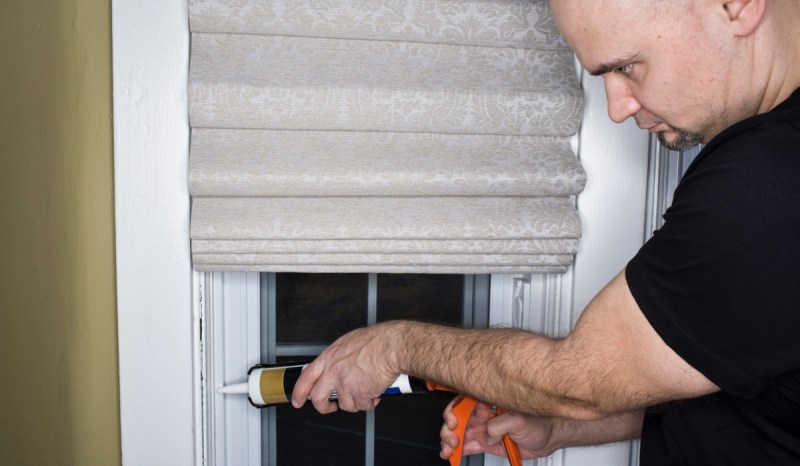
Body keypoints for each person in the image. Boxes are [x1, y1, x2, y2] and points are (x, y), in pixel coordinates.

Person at [291, 0, 800, 464]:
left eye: (626, 67)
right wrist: (559, 426)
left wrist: (394, 347)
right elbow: (732, 376)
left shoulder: (768, 180)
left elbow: (580, 381)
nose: (617, 107)